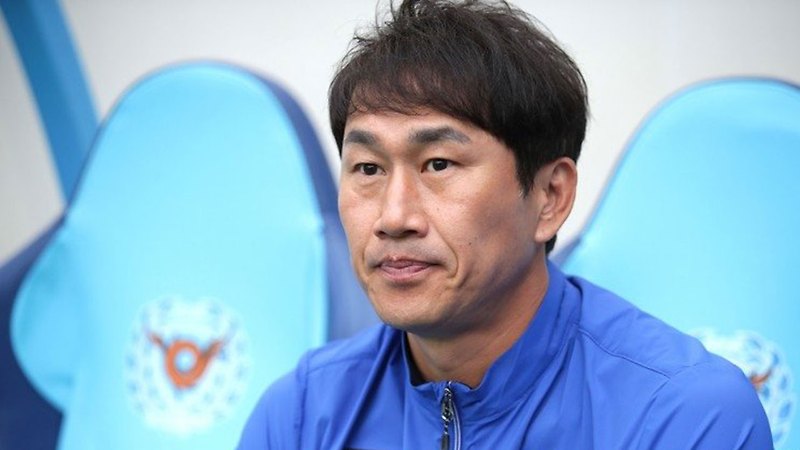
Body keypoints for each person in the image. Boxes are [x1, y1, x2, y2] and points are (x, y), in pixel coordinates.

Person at [238, 0, 773, 448]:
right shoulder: (301, 415)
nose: (393, 217)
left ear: (549, 196)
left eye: (438, 164)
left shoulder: (681, 415)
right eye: (368, 169)